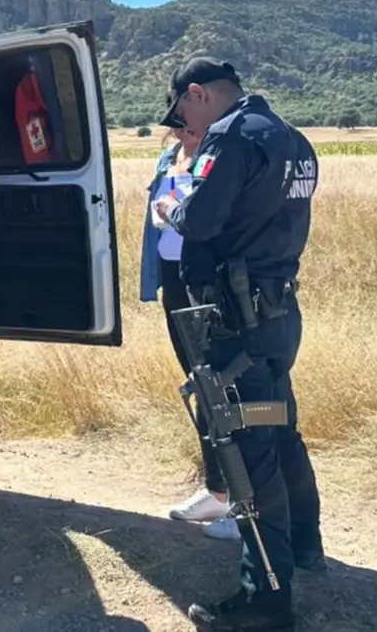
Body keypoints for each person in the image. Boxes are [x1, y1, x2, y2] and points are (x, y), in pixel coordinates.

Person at [152, 57, 326, 631]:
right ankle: (305, 546)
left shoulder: (231, 138)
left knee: (248, 455)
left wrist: (167, 209)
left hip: (234, 320)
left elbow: (198, 221)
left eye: (181, 108)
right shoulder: (293, 138)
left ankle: (266, 598)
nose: (182, 119)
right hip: (277, 313)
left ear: (197, 95)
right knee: (281, 429)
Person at [142, 126, 241, 544]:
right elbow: (157, 217)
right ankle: (218, 491)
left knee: (224, 386)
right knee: (200, 383)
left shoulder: (223, 163)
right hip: (174, 278)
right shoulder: (168, 160)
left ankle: (243, 502)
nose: (185, 128)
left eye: (192, 120)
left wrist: (171, 210)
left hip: (208, 281)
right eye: (179, 121)